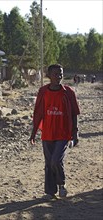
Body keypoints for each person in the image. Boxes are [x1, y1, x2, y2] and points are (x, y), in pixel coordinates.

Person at [29, 64, 80, 200]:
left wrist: (75, 133)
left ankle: (61, 185)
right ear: (49, 75)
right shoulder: (43, 91)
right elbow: (38, 113)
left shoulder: (68, 92)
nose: (58, 77)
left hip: (63, 134)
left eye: (60, 74)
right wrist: (33, 133)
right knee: (48, 163)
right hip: (47, 133)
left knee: (56, 161)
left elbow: (74, 113)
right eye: (55, 74)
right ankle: (50, 192)